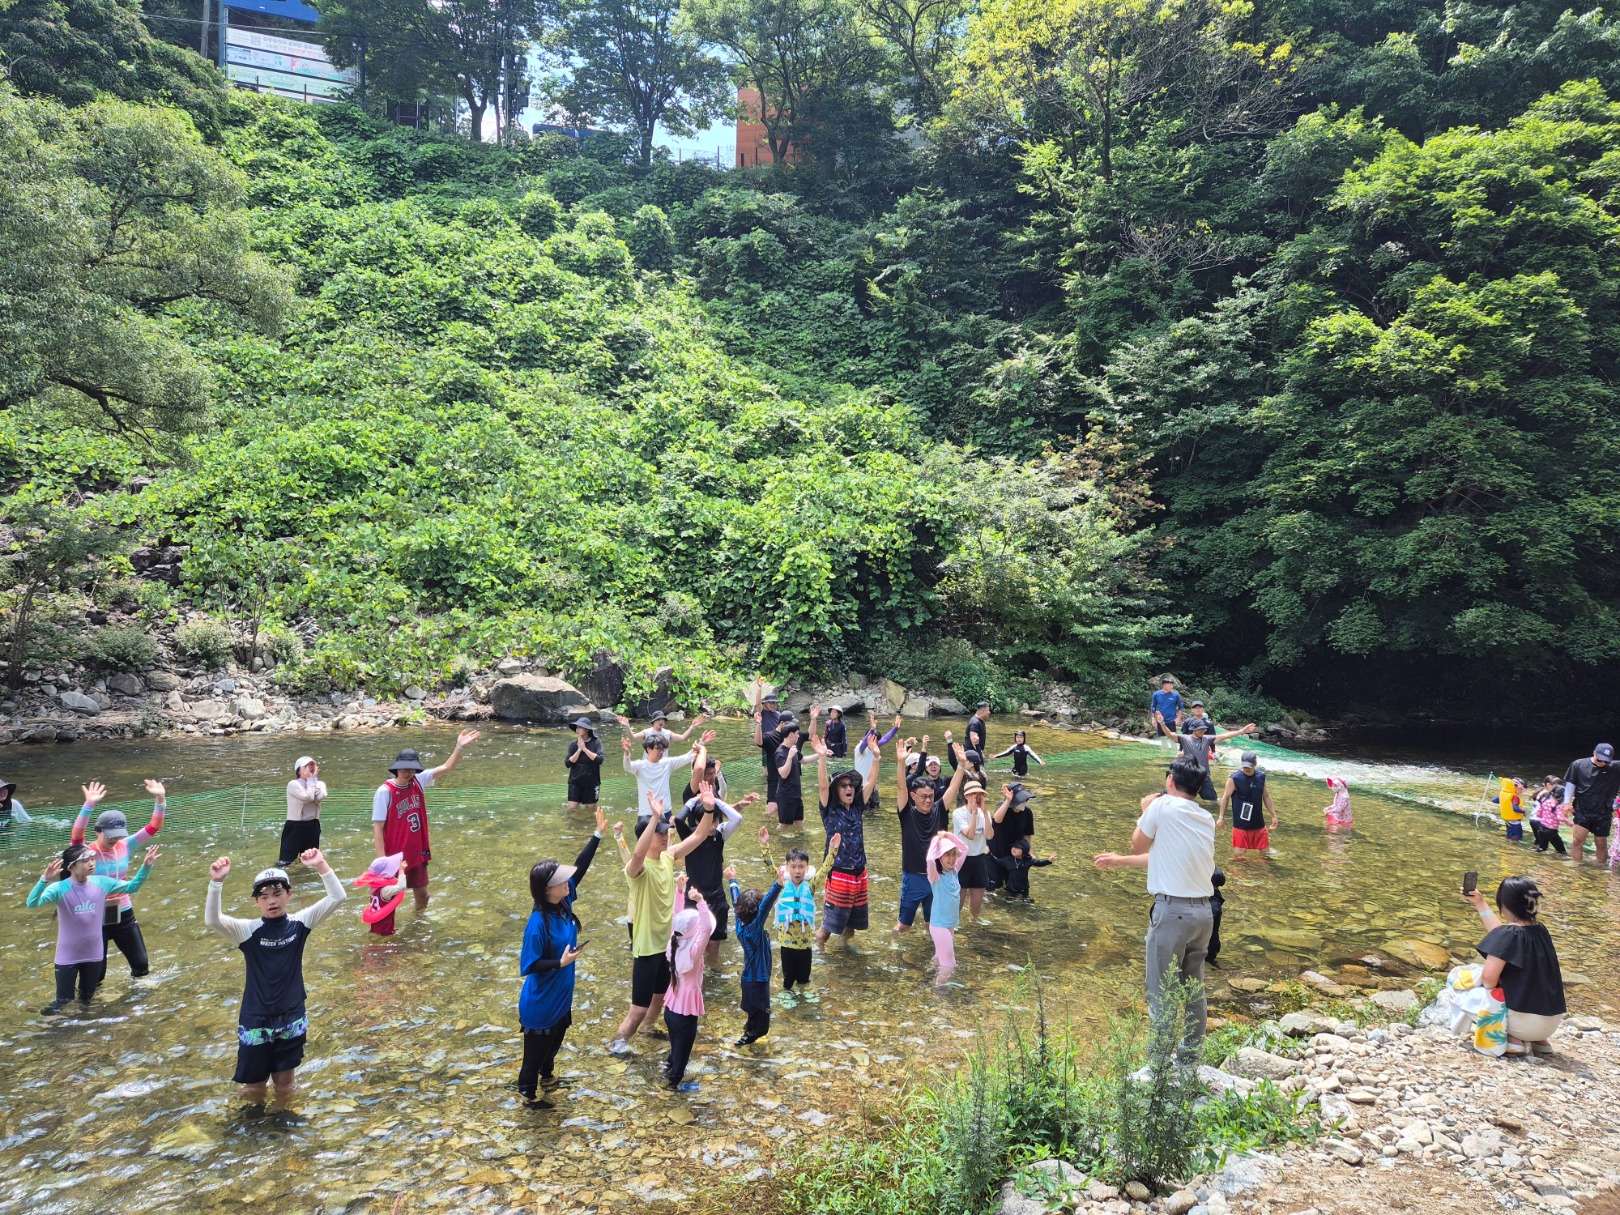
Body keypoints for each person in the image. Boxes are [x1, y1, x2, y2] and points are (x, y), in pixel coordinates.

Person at [1094, 756, 1217, 1064]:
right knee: (1193, 989)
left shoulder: (1161, 807)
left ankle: (1158, 1066)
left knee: (1160, 991)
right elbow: (1161, 856)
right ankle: (1190, 1058)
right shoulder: (1204, 817)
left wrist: (1147, 809)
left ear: (1170, 781)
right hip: (1204, 914)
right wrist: (1119, 860)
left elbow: (1139, 844)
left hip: (1172, 913)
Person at [204, 849, 346, 1108]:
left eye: (278, 894)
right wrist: (216, 883)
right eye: (264, 896)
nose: (272, 901)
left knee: (286, 1084)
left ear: (289, 895)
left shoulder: (300, 923)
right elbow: (213, 920)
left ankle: (282, 1127)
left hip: (292, 1017)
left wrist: (321, 865)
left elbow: (338, 897)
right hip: (256, 1020)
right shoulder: (247, 931)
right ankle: (252, 1127)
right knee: (253, 1086)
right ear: (256, 902)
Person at [610, 790, 718, 1056]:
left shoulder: (668, 858)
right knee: (638, 1009)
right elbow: (636, 855)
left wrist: (708, 810)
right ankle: (617, 1045)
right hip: (647, 949)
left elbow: (698, 836)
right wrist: (655, 815)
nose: (662, 836)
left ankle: (648, 1029)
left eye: (662, 832)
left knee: (660, 998)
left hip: (668, 947)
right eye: (657, 833)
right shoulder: (637, 870)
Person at [516, 808, 607, 1108]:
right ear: (545, 890)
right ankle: (528, 1101)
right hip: (540, 1007)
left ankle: (549, 1080)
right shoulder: (537, 924)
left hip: (560, 1000)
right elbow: (529, 965)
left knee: (551, 1053)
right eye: (561, 880)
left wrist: (597, 835)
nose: (568, 882)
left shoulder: (564, 901)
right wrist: (560, 964)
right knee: (532, 1061)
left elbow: (580, 869)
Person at [28, 842, 159, 1015]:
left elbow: (132, 887)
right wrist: (43, 880)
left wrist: (146, 866)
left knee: (87, 999)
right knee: (63, 1000)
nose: (92, 863)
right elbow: (32, 903)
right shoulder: (59, 888)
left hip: (94, 954)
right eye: (86, 860)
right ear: (72, 867)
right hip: (68, 956)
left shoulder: (101, 882)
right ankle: (48, 1032)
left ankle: (85, 1032)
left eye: (92, 859)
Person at [371, 730, 479, 915]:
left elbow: (447, 768)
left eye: (411, 768)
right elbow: (378, 829)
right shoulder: (385, 791)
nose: (407, 772)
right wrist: (382, 861)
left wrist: (459, 747)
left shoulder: (418, 781)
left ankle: (416, 924)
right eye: (404, 768)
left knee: (423, 895)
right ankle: (388, 932)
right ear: (396, 768)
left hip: (416, 851)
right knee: (390, 896)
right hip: (394, 855)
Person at [71, 779, 167, 981]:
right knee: (97, 975)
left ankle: (136, 1005)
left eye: (117, 835)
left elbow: (154, 826)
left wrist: (160, 798)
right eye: (109, 836)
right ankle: (92, 1008)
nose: (114, 840)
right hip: (94, 914)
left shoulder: (125, 845)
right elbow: (77, 835)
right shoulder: (86, 851)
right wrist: (89, 804)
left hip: (123, 912)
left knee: (141, 966)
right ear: (98, 832)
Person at [1463, 876, 1566, 1055]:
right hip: (1551, 1024)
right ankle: (1539, 1041)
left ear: (1503, 902)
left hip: (1523, 1025)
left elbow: (1488, 980)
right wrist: (1480, 903)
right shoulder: (1540, 930)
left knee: (1462, 984)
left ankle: (1512, 1039)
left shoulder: (1508, 935)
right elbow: (1503, 936)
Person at [673, 782, 756, 963]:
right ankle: (697, 976)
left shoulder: (720, 835)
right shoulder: (690, 837)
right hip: (694, 898)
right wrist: (694, 800)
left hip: (717, 898)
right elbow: (678, 820)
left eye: (715, 821)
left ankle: (713, 974)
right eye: (708, 822)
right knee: (694, 943)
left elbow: (737, 819)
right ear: (697, 822)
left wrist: (716, 802)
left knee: (714, 945)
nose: (712, 826)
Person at [813, 737, 879, 948]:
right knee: (829, 925)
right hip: (839, 871)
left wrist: (876, 757)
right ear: (836, 790)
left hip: (859, 871)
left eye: (851, 785)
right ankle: (818, 951)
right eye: (843, 785)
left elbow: (870, 782)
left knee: (851, 925)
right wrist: (822, 758)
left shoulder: (858, 806)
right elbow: (823, 786)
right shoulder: (830, 809)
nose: (849, 788)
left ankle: (844, 953)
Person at [893, 736, 964, 933]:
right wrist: (900, 762)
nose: (927, 800)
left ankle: (933, 957)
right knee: (903, 925)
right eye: (923, 796)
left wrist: (962, 766)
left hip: (937, 878)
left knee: (933, 924)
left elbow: (953, 787)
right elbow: (900, 787)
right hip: (913, 877)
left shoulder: (939, 809)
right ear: (913, 796)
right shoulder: (907, 813)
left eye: (931, 796)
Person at [726, 826, 781, 1046]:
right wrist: (777, 884)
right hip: (758, 982)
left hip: (748, 979)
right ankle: (743, 1043)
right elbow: (766, 905)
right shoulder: (754, 928)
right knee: (762, 1027)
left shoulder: (741, 923)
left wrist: (733, 880)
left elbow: (735, 899)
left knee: (753, 1016)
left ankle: (748, 1029)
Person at [662, 872, 715, 1092]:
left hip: (671, 1008)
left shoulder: (673, 944)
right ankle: (673, 1085)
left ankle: (668, 1070)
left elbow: (677, 916)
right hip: (685, 1014)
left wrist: (680, 890)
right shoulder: (693, 953)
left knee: (675, 1048)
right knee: (683, 1053)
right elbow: (707, 929)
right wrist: (700, 902)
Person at [774, 840, 834, 997]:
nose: (797, 871)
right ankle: (787, 993)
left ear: (807, 868)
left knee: (804, 977)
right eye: (793, 867)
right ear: (787, 868)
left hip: (805, 942)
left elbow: (825, 870)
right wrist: (764, 845)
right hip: (786, 942)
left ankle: (804, 993)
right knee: (788, 976)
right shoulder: (781, 882)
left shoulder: (811, 885)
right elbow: (768, 866)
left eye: (801, 867)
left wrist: (833, 850)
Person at [622, 728, 715, 826]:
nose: (661, 752)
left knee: (667, 841)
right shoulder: (640, 766)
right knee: (644, 841)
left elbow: (688, 756)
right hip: (646, 814)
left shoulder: (667, 763)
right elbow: (627, 766)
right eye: (658, 749)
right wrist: (627, 754)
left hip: (666, 812)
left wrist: (701, 742)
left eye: (663, 749)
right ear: (648, 749)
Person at [1560, 743, 1620, 863]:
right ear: (1594, 753)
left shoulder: (1615, 767)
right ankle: (1576, 866)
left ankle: (1600, 868)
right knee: (1577, 840)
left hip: (1604, 811)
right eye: (1600, 759)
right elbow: (1571, 784)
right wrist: (1566, 803)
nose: (1602, 763)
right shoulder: (1578, 765)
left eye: (1606, 761)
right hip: (1583, 809)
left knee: (1601, 843)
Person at [1175, 717, 1257, 802]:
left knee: (1213, 800)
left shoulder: (1207, 739)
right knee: (1183, 799)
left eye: (1204, 729)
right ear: (1194, 729)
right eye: (1201, 729)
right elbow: (1170, 734)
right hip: (1189, 776)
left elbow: (1224, 736)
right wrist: (1162, 723)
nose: (1203, 731)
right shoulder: (1185, 739)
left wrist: (1242, 731)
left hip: (1204, 776)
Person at [926, 831, 966, 983]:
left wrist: (949, 836)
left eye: (954, 854)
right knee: (949, 964)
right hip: (939, 925)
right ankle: (940, 995)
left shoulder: (954, 871)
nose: (951, 859)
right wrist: (936, 841)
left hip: (949, 924)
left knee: (939, 958)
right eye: (947, 855)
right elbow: (930, 859)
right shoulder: (935, 876)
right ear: (940, 856)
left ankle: (929, 977)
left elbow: (965, 848)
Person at [1217, 752, 1276, 855]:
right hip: (1241, 824)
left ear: (1255, 764)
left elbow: (1266, 797)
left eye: (1249, 766)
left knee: (1265, 852)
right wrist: (1221, 818)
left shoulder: (1261, 777)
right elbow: (1225, 798)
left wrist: (1273, 815)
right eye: (1244, 766)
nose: (1246, 768)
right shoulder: (1234, 779)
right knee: (1240, 853)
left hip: (1258, 822)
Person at [953, 781, 994, 918]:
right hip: (962, 859)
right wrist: (974, 814)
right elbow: (970, 835)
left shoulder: (986, 815)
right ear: (966, 796)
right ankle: (954, 925)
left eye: (980, 794)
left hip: (979, 858)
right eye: (974, 794)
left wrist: (984, 813)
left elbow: (989, 835)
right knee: (958, 901)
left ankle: (974, 926)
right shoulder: (958, 814)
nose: (977, 797)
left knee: (976, 905)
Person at [987, 783, 1036, 894]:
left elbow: (1027, 834)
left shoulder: (1027, 813)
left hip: (1015, 853)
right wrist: (1007, 801)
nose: (1024, 803)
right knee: (994, 884)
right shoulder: (1002, 806)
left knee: (1013, 884)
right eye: (1021, 800)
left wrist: (1029, 853)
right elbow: (997, 819)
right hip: (996, 850)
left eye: (1025, 800)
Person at [281, 757, 327, 867]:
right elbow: (308, 797)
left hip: (313, 825)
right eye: (306, 766)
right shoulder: (293, 784)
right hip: (295, 826)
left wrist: (313, 781)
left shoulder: (320, 783)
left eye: (312, 765)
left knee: (311, 859)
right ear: (298, 770)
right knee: (286, 861)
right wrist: (311, 781)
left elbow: (320, 796)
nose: (310, 768)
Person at [854, 714, 901, 811]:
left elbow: (885, 739)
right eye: (872, 740)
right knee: (863, 812)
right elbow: (864, 744)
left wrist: (895, 728)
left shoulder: (874, 749)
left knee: (876, 811)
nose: (875, 744)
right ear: (867, 739)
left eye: (876, 741)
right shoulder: (860, 749)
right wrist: (871, 729)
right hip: (861, 787)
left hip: (873, 787)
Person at [752, 683, 783, 815]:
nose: (773, 704)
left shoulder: (779, 715)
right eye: (770, 702)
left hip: (779, 745)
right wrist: (759, 687)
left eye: (774, 703)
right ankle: (767, 785)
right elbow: (758, 703)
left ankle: (774, 785)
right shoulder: (763, 713)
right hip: (766, 744)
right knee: (767, 770)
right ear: (766, 704)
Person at [993, 838, 1056, 903]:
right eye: (1013, 847)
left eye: (1017, 848)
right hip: (1012, 886)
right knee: (1011, 898)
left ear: (1024, 851)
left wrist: (1048, 860)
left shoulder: (1028, 861)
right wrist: (989, 854)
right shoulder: (1008, 860)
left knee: (1025, 898)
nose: (1014, 849)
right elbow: (997, 861)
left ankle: (1025, 899)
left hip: (1024, 886)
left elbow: (1039, 863)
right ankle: (1012, 898)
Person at [773, 715, 807, 830]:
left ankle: (800, 843)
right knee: (784, 824)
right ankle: (776, 843)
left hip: (796, 794)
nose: (799, 736)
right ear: (791, 735)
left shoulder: (794, 748)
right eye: (797, 733)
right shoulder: (780, 752)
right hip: (786, 795)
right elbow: (783, 774)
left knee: (800, 822)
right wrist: (789, 758)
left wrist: (820, 754)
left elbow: (804, 760)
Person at [564, 718, 604, 812]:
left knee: (591, 811)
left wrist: (585, 749)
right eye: (576, 728)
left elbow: (600, 760)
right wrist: (579, 749)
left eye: (579, 727)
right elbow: (567, 763)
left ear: (586, 729)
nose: (577, 730)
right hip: (575, 781)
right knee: (571, 809)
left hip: (592, 782)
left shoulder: (596, 742)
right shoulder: (573, 744)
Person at [1530, 776, 1569, 855]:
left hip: (1535, 821)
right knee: (1560, 850)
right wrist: (1570, 823)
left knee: (1541, 845)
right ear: (1548, 785)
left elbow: (1540, 811)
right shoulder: (1552, 798)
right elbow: (1559, 816)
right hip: (1544, 825)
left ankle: (1536, 856)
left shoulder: (1542, 795)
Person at [617, 709, 707, 742]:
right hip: (649, 765)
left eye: (663, 719)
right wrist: (627, 726)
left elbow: (683, 738)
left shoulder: (667, 733)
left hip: (663, 765)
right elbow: (632, 738)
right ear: (653, 722)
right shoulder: (647, 732)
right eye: (658, 720)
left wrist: (692, 727)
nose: (661, 722)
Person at [1491, 777, 1528, 843]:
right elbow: (1515, 808)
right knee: (1518, 837)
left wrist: (1501, 796)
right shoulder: (1514, 797)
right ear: (1517, 787)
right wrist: (1523, 811)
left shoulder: (1503, 794)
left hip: (1507, 820)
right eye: (1522, 790)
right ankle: (1514, 848)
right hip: (1515, 822)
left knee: (1509, 835)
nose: (1522, 792)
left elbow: (1494, 800)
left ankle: (1508, 845)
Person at [1207, 868, 1227, 968]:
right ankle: (1211, 960)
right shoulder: (1212, 867)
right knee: (1213, 936)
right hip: (1212, 907)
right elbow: (1221, 880)